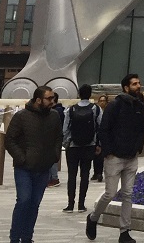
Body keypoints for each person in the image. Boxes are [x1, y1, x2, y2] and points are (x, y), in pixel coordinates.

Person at [86, 74, 144, 243]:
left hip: (131, 157)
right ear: (126, 87)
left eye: (139, 83)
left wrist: (138, 148)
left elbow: (142, 128)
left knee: (128, 194)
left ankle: (124, 231)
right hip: (114, 157)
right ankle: (93, 218)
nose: (139, 86)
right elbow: (104, 129)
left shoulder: (139, 105)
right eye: (135, 84)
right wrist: (109, 151)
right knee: (110, 193)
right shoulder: (115, 105)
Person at [6, 86, 62, 243]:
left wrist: (54, 155)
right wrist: (22, 158)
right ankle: (15, 237)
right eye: (49, 98)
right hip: (24, 168)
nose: (53, 101)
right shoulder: (21, 116)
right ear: (38, 100)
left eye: (53, 98)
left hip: (43, 167)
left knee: (34, 204)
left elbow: (59, 137)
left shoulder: (54, 116)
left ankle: (27, 238)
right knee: (24, 201)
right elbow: (10, 140)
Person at [64, 83, 102, 213]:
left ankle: (70, 205)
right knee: (85, 175)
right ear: (90, 94)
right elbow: (100, 127)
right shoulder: (95, 109)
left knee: (71, 175)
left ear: (79, 94)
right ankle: (81, 204)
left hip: (73, 146)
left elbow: (65, 129)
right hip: (89, 145)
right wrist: (98, 144)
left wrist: (66, 143)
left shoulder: (71, 109)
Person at [49, 92, 65, 187]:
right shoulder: (58, 110)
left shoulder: (56, 111)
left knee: (52, 158)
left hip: (54, 137)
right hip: (55, 137)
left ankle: (54, 178)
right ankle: (52, 177)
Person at [91, 94, 109, 182]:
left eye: (104, 101)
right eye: (100, 101)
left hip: (104, 136)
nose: (102, 102)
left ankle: (99, 173)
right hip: (96, 135)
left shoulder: (108, 112)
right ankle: (95, 172)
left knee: (101, 155)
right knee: (95, 155)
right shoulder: (96, 111)